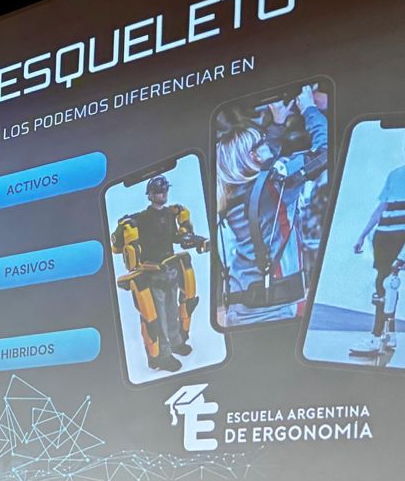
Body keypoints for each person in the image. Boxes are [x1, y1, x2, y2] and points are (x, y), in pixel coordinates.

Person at [215, 84, 329, 327]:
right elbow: (325, 151)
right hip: (274, 309)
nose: (266, 143)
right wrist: (309, 109)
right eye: (260, 143)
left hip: (240, 307)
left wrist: (277, 124)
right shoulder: (276, 183)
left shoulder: (231, 190)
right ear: (253, 156)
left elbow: (265, 165)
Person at [110, 174, 208, 372]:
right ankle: (161, 356)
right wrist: (124, 226)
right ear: (150, 195)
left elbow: (177, 238)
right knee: (157, 318)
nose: (163, 194)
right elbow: (117, 245)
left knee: (172, 311)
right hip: (152, 274)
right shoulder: (140, 219)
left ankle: (176, 342)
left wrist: (196, 240)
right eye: (158, 191)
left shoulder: (170, 215)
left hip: (170, 269)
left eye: (165, 190)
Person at [349, 144, 405, 355]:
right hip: (383, 237)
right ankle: (387, 335)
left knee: (387, 285)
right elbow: (383, 207)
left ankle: (377, 336)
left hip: (400, 237)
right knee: (385, 285)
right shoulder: (395, 174)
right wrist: (363, 234)